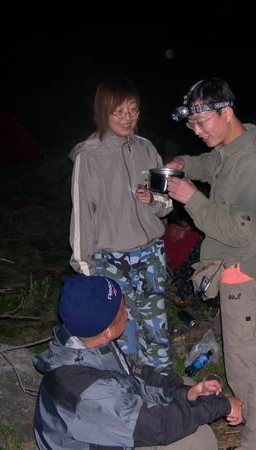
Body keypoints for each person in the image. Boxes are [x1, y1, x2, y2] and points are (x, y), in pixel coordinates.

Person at [166, 78, 256, 450]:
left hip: (245, 273)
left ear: (226, 112)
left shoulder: (250, 163)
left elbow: (239, 233)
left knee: (251, 369)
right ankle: (254, 435)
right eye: (193, 127)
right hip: (233, 274)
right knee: (240, 365)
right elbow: (208, 163)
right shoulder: (229, 150)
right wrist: (183, 164)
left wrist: (192, 199)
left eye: (202, 123)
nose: (198, 132)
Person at [34, 274, 243, 449]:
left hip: (108, 426)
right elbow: (159, 426)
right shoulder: (87, 389)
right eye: (122, 310)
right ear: (108, 330)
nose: (128, 313)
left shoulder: (89, 342)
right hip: (93, 440)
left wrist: (186, 394)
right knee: (197, 440)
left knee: (186, 388)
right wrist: (222, 406)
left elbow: (138, 378)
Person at [69, 76, 173, 372]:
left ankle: (161, 383)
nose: (127, 118)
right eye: (119, 112)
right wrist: (85, 268)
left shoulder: (147, 149)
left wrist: (152, 199)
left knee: (156, 328)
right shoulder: (89, 156)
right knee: (122, 332)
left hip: (150, 254)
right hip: (111, 259)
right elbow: (82, 216)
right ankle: (128, 386)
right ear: (104, 112)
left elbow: (167, 204)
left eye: (133, 110)